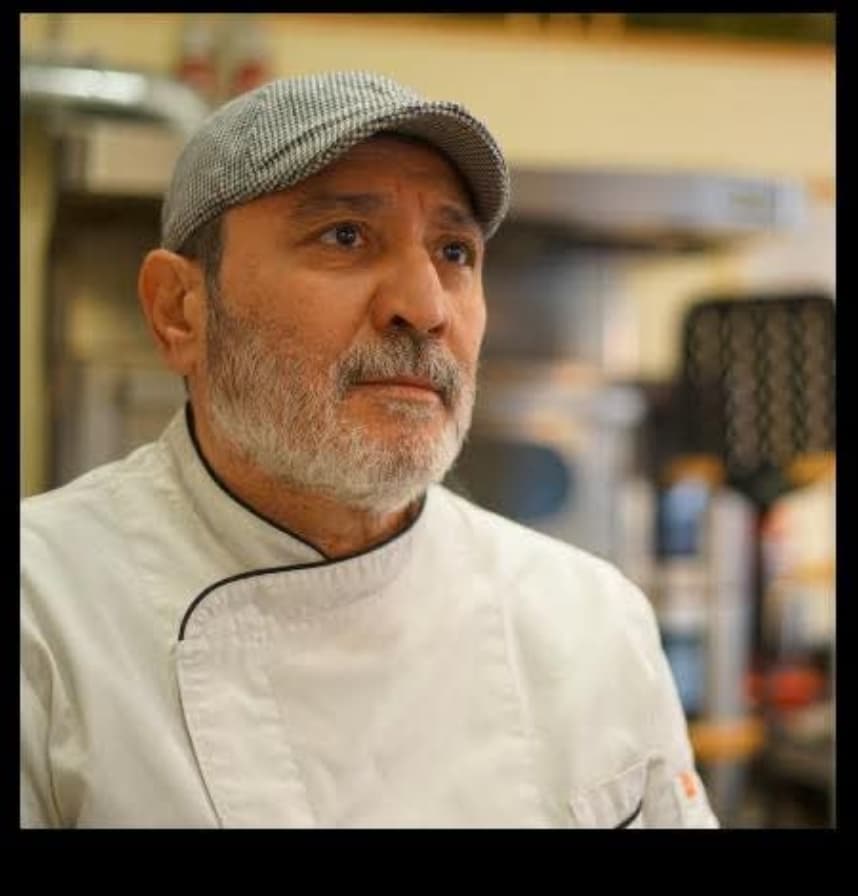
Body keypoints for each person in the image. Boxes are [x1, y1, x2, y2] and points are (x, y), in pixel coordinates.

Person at [21, 70, 718, 829]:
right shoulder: (47, 616)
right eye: (345, 237)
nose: (423, 308)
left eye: (454, 251)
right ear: (180, 311)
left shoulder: (593, 622)